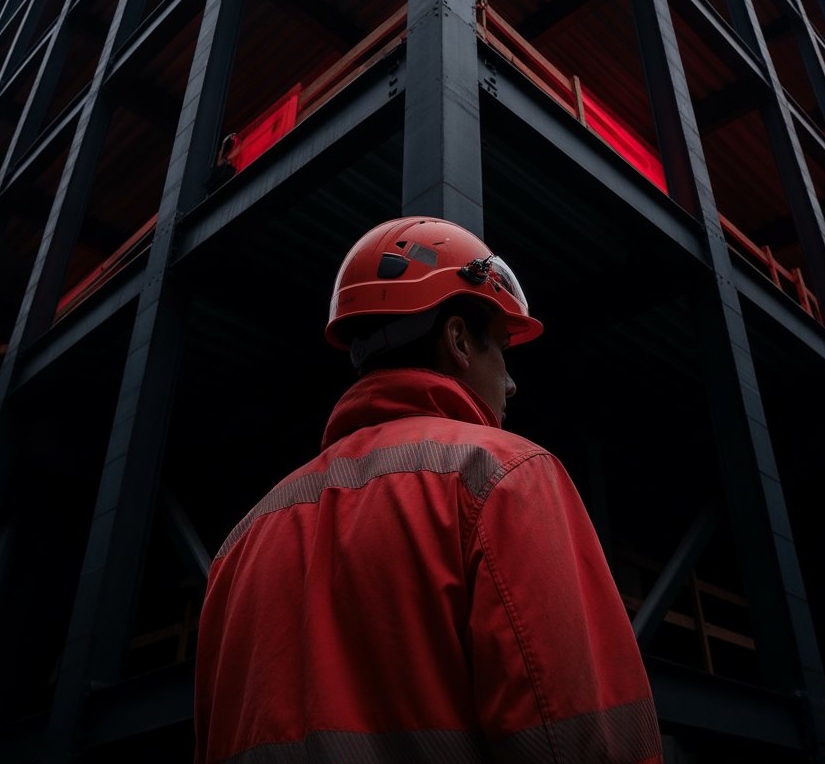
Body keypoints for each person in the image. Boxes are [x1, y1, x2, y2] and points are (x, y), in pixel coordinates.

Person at [193, 217, 663, 763]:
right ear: (459, 341)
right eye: (501, 349)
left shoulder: (238, 547)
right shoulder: (504, 477)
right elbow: (575, 743)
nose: (511, 383)